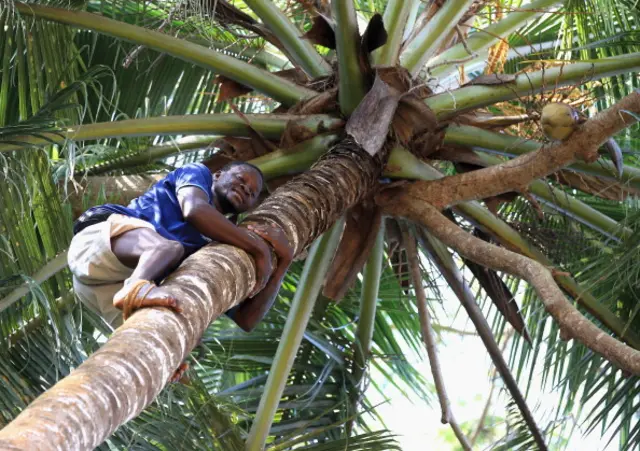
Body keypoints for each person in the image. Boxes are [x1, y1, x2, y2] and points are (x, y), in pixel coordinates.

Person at [68, 161, 293, 331]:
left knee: (158, 333)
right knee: (168, 249)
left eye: (252, 193)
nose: (245, 189)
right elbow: (194, 211)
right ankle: (135, 286)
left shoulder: (223, 243)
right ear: (217, 175)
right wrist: (259, 248)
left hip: (107, 292)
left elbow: (246, 320)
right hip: (100, 245)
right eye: (241, 180)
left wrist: (283, 264)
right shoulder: (197, 173)